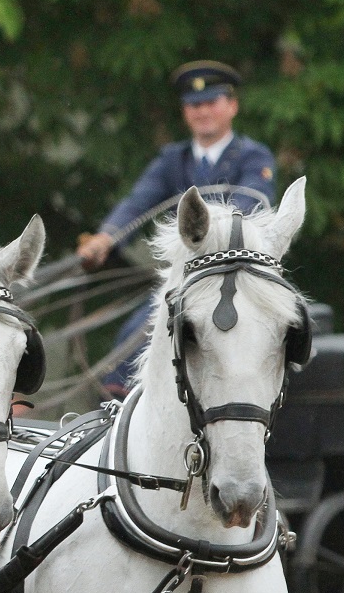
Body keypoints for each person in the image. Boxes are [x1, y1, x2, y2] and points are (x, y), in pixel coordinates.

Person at [77, 60, 276, 394]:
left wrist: (210, 233)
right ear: (185, 112)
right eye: (194, 105)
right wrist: (106, 238)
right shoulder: (174, 159)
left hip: (237, 277)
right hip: (187, 278)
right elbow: (139, 203)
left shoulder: (254, 157)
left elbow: (253, 206)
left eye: (211, 103)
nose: (202, 112)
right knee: (129, 345)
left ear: (232, 106)